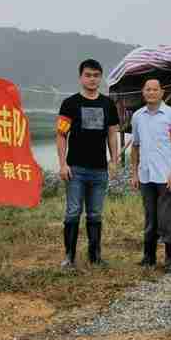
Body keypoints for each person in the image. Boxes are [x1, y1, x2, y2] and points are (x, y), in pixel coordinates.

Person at [56, 59, 119, 268]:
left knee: (95, 213)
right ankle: (69, 257)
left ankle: (95, 256)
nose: (92, 79)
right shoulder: (70, 103)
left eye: (96, 75)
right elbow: (61, 135)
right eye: (88, 75)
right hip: (76, 169)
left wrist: (114, 160)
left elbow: (112, 134)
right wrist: (62, 164)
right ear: (81, 77)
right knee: (73, 212)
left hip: (99, 169)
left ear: (100, 78)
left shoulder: (108, 104)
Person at [130, 78, 171, 273]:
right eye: (148, 89)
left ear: (162, 92)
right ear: (143, 92)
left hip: (165, 175)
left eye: (155, 89)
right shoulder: (138, 116)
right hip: (146, 175)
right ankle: (149, 257)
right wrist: (134, 173)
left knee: (167, 218)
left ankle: (170, 259)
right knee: (150, 217)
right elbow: (135, 146)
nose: (151, 93)